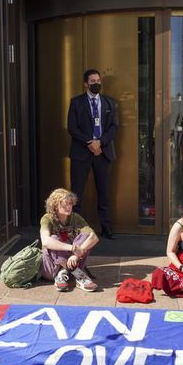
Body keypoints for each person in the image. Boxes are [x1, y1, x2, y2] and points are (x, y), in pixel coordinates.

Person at [67, 68, 118, 239]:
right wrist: (90, 142)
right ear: (85, 84)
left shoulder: (109, 103)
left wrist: (100, 142)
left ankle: (106, 228)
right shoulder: (76, 102)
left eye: (98, 81)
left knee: (104, 192)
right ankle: (75, 230)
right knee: (77, 194)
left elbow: (113, 127)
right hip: (82, 153)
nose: (96, 83)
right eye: (92, 81)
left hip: (103, 153)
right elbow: (72, 128)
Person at [40, 188, 99, 292]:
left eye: (70, 203)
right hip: (52, 268)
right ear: (55, 205)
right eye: (65, 204)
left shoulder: (75, 217)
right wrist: (72, 248)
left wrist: (76, 255)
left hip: (73, 262)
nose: (68, 207)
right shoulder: (47, 218)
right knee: (53, 239)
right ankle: (74, 275)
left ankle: (68, 272)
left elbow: (94, 237)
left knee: (86, 235)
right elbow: (45, 241)